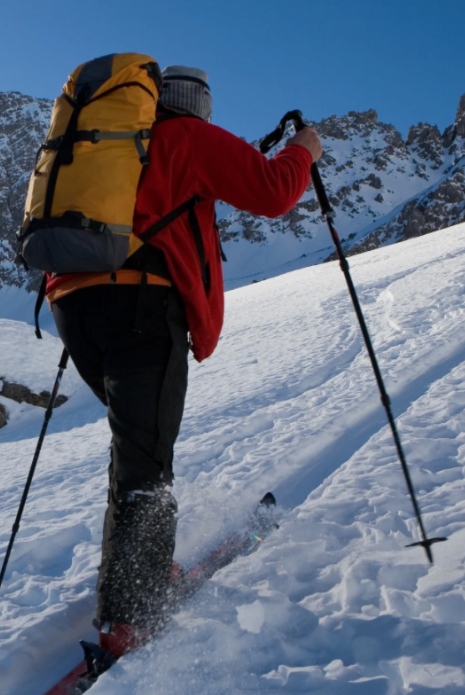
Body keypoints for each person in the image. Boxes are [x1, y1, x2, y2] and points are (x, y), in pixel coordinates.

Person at [45, 65, 322, 658]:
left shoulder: (112, 150)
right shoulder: (186, 138)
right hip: (142, 306)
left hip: (74, 305)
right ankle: (130, 616)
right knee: (146, 460)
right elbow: (274, 192)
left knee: (136, 449)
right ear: (195, 106)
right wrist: (304, 149)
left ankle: (140, 574)